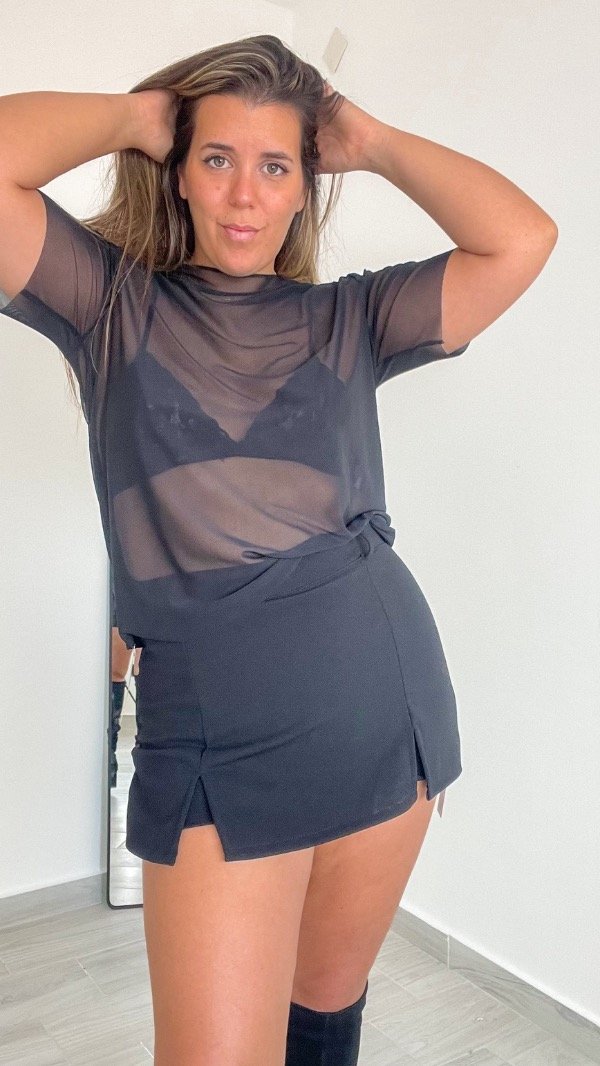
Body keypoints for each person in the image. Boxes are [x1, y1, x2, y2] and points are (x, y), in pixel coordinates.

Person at [0, 33, 557, 1066]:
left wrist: (371, 141)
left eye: (275, 166)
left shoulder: (351, 319)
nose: (245, 195)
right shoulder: (111, 304)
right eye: (217, 158)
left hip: (384, 705)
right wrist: (139, 115)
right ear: (178, 169)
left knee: (321, 1027)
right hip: (216, 733)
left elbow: (522, 238)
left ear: (308, 186)